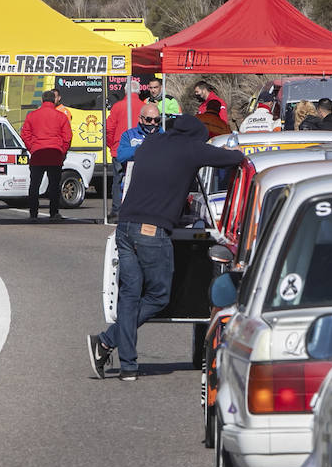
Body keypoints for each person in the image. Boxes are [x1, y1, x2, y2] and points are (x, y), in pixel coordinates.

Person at [88, 115, 244, 381]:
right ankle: (106, 340)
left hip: (124, 226)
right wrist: (231, 150)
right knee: (159, 295)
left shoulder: (151, 143)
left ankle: (126, 364)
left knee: (129, 295)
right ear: (196, 136)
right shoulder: (191, 147)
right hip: (151, 231)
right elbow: (234, 160)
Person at [21, 88, 73, 221]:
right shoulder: (61, 116)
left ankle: (33, 214)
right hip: (55, 154)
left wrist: (32, 148)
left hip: (38, 154)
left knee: (35, 185)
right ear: (54, 100)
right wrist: (62, 151)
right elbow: (67, 137)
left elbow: (25, 134)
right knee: (54, 186)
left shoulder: (32, 115)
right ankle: (53, 213)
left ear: (42, 100)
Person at [113, 105, 162, 214]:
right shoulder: (129, 135)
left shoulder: (165, 136)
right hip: (134, 189)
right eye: (149, 119)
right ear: (141, 119)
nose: (153, 123)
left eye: (157, 120)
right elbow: (121, 155)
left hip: (158, 189)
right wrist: (142, 148)